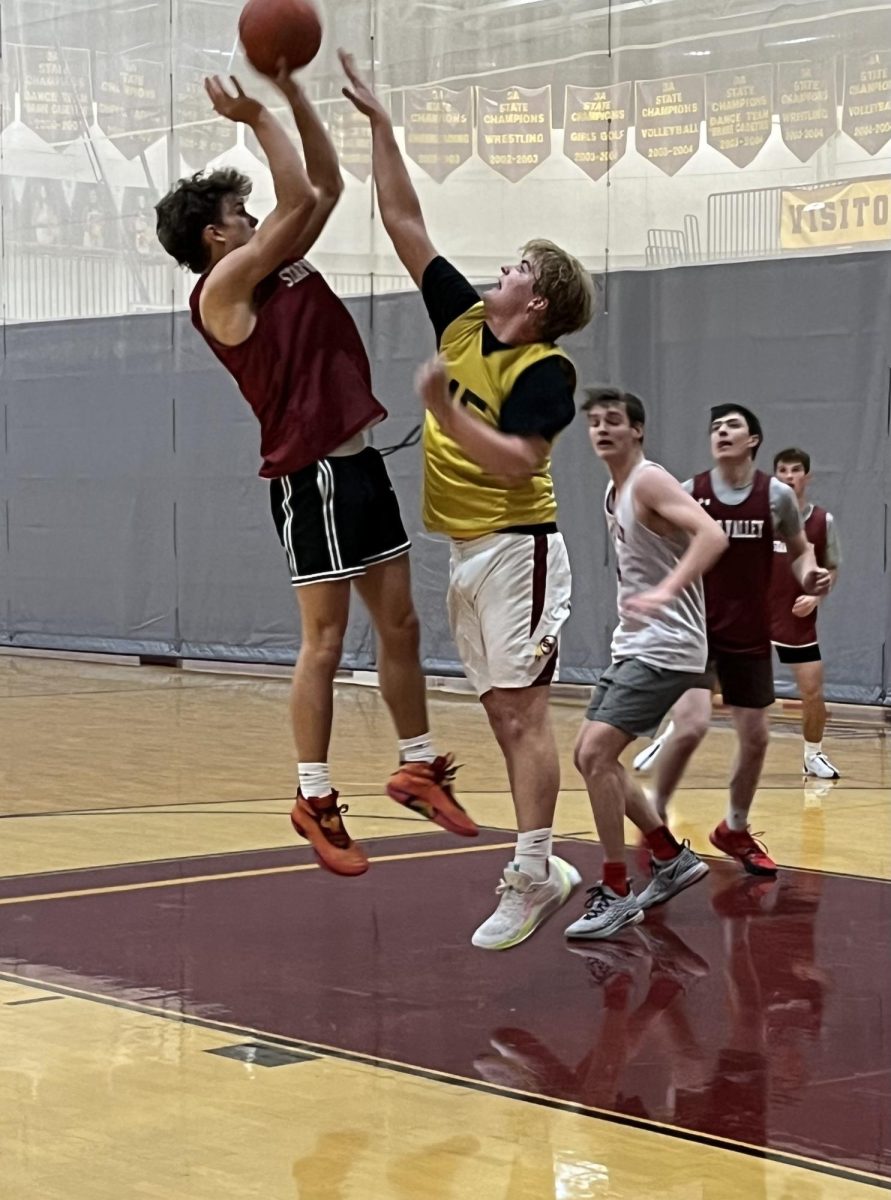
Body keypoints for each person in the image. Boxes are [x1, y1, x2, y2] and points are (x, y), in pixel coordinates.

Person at [155, 68, 475, 877]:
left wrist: (299, 97)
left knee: (399, 627)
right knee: (325, 642)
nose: (255, 215)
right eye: (240, 212)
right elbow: (298, 200)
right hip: (312, 480)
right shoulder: (221, 289)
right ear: (216, 238)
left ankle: (416, 763)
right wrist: (258, 111)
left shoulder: (274, 259)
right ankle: (314, 795)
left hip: (360, 466)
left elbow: (323, 188)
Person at [341, 50, 596, 949]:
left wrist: (445, 407)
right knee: (498, 710)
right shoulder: (459, 320)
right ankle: (545, 864)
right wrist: (379, 123)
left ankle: (533, 870)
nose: (502, 266)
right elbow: (404, 218)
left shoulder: (544, 367)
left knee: (522, 713)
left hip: (517, 545)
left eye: (519, 264)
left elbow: (520, 464)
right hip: (465, 548)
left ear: (540, 299)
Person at [564, 388, 726, 939]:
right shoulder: (615, 493)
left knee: (595, 752)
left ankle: (615, 890)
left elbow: (712, 534)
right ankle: (668, 856)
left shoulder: (650, 481)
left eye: (614, 421)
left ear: (638, 430)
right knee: (589, 760)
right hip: (634, 644)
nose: (602, 430)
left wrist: (666, 593)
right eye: (594, 422)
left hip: (667, 646)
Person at [645, 406, 831, 875]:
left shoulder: (777, 496)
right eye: (714, 427)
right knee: (689, 726)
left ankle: (734, 828)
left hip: (748, 633)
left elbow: (800, 552)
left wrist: (812, 577)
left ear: (754, 440)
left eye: (732, 426)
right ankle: (654, 823)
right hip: (696, 629)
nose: (721, 432)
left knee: (756, 738)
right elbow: (661, 538)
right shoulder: (691, 492)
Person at [770, 448, 841, 779]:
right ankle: (670, 739)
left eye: (795, 470)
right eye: (782, 470)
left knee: (813, 690)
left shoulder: (821, 521)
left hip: (795, 620)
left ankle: (813, 755)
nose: (789, 475)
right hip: (751, 617)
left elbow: (832, 568)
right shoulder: (758, 517)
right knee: (707, 683)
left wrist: (815, 597)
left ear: (806, 477)